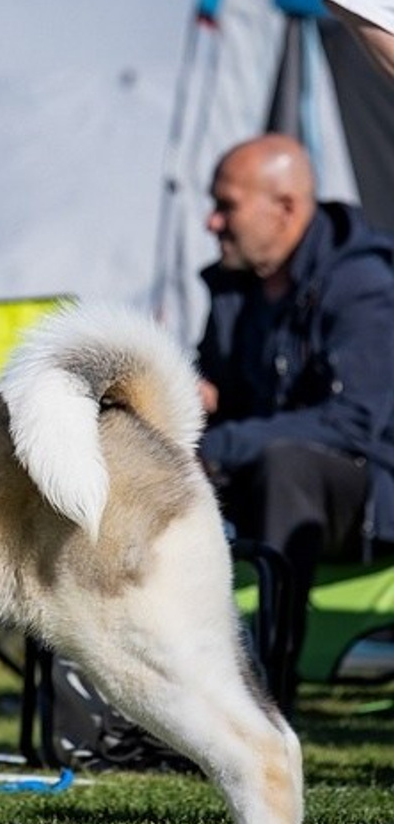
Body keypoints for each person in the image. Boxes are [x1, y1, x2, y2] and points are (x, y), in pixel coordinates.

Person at [196, 132, 394, 703]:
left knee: (288, 467)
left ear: (284, 208)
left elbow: (354, 422)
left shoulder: (365, 286)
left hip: (363, 493)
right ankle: (110, 691)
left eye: (226, 204)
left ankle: (262, 693)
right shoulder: (237, 289)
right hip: (254, 473)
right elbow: (222, 398)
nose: (211, 223)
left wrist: (222, 443)